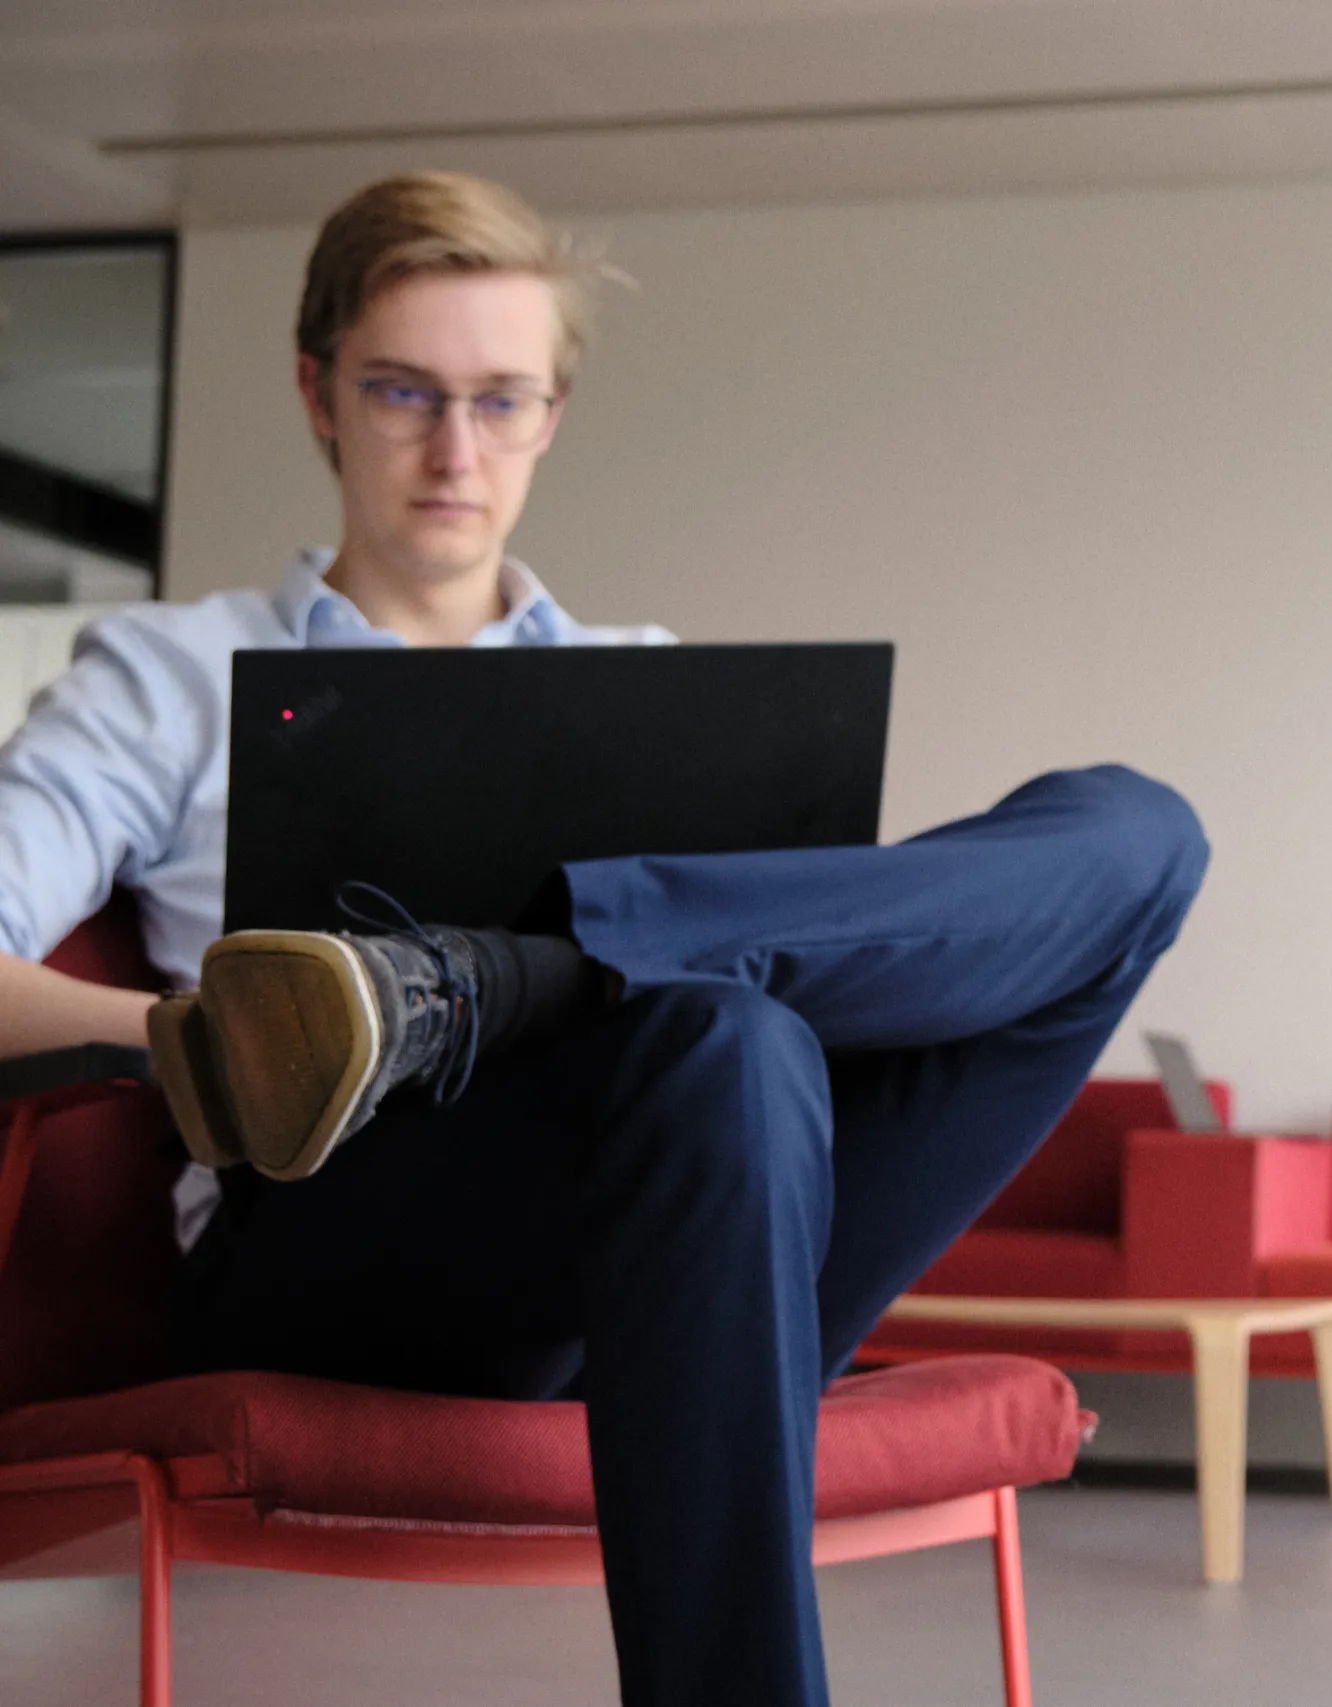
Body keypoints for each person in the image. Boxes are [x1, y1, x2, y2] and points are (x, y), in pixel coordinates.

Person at [0, 171, 1206, 1707]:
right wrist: (196, 1040)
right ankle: (475, 997)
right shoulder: (172, 671)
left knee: (1139, 829)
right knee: (722, 1030)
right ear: (317, 392)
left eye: (502, 401)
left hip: (701, 1224)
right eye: (406, 393)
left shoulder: (650, 684)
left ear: (553, 413)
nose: (457, 449)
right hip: (343, 1248)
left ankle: (488, 982)